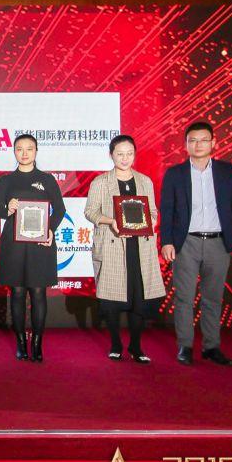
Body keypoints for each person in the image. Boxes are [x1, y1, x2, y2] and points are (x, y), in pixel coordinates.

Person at [160, 121, 232, 366]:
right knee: (184, 298)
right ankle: (185, 346)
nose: (198, 145)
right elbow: (167, 210)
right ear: (185, 145)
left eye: (203, 140)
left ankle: (211, 347)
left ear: (213, 143)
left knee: (213, 298)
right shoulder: (175, 174)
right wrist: (166, 241)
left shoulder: (227, 172)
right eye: (192, 140)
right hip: (186, 243)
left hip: (218, 243)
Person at [84, 135, 165, 363]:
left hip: (139, 247)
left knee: (139, 298)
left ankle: (136, 346)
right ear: (111, 155)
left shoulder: (144, 181)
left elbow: (152, 211)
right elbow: (90, 212)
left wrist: (151, 221)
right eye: (120, 154)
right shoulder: (100, 182)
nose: (125, 158)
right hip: (112, 244)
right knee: (112, 298)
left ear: (135, 155)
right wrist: (111, 221)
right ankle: (116, 344)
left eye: (129, 153)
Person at [0, 134, 64, 363]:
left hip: (39, 244)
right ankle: (20, 343)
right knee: (16, 292)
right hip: (13, 244)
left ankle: (37, 342)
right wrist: (8, 208)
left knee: (38, 292)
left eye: (29, 148)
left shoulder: (47, 179)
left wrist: (50, 230)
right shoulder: (5, 181)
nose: (24, 153)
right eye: (19, 149)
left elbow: (60, 210)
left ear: (36, 151)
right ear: (14, 151)